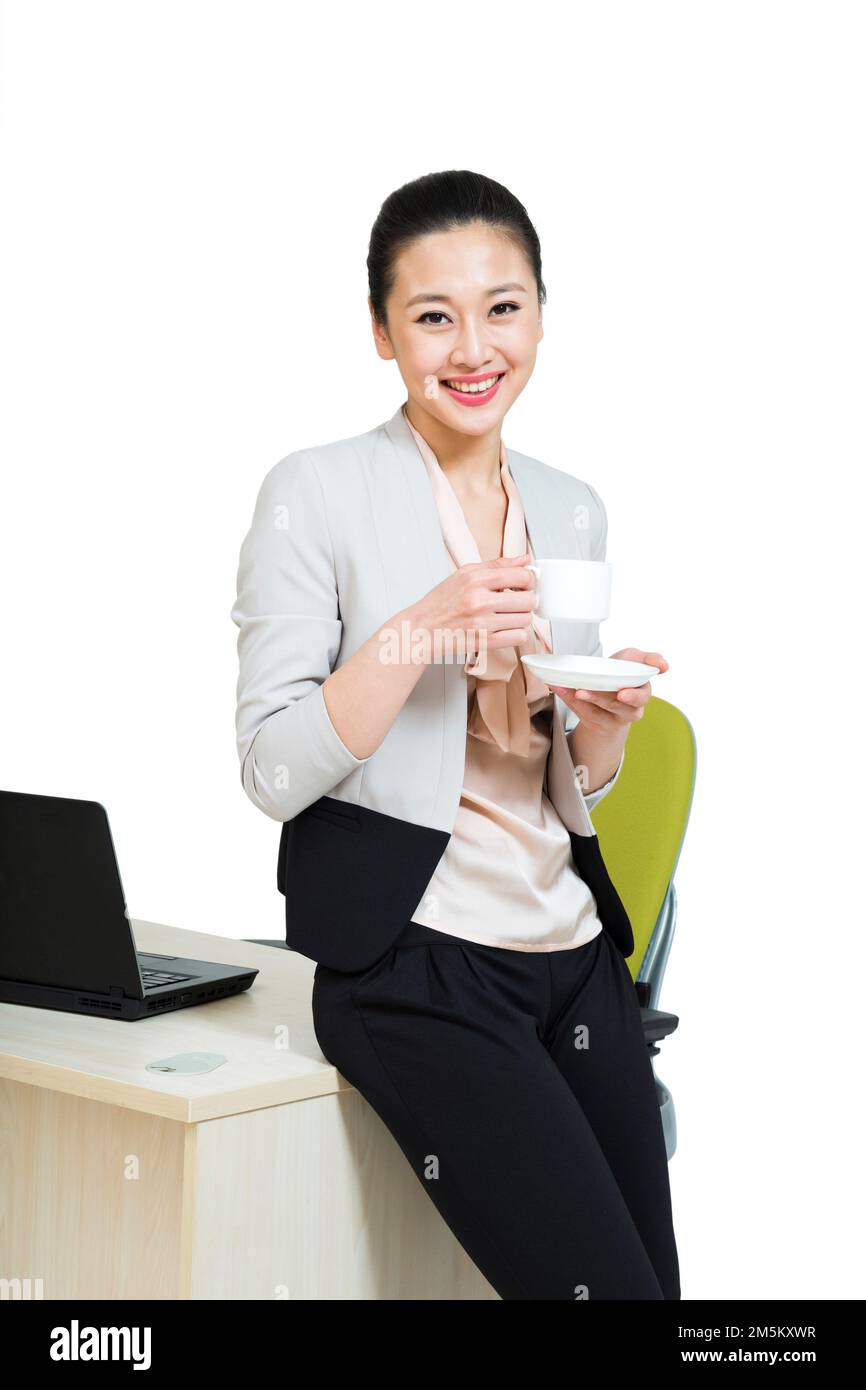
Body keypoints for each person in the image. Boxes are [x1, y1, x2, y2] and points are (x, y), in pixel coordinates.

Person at [231, 169, 680, 1300]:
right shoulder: (316, 492)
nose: (471, 346)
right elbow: (272, 765)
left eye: (502, 307)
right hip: (418, 965)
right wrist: (418, 629)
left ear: (538, 311)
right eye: (432, 315)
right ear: (381, 332)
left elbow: (556, 777)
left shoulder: (569, 502)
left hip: (573, 958)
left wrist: (601, 733)